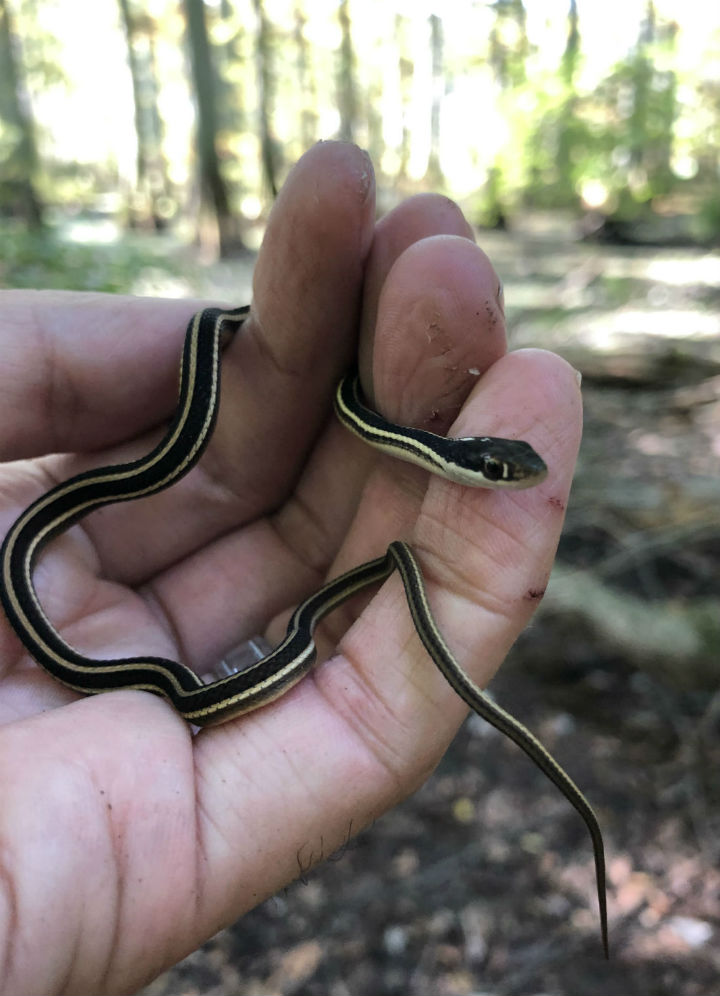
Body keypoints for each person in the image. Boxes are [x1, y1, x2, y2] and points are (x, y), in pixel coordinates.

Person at [0, 141, 581, 995]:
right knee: (221, 369)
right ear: (467, 462)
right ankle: (230, 328)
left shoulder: (386, 425)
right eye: (501, 469)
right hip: (112, 614)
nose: (510, 477)